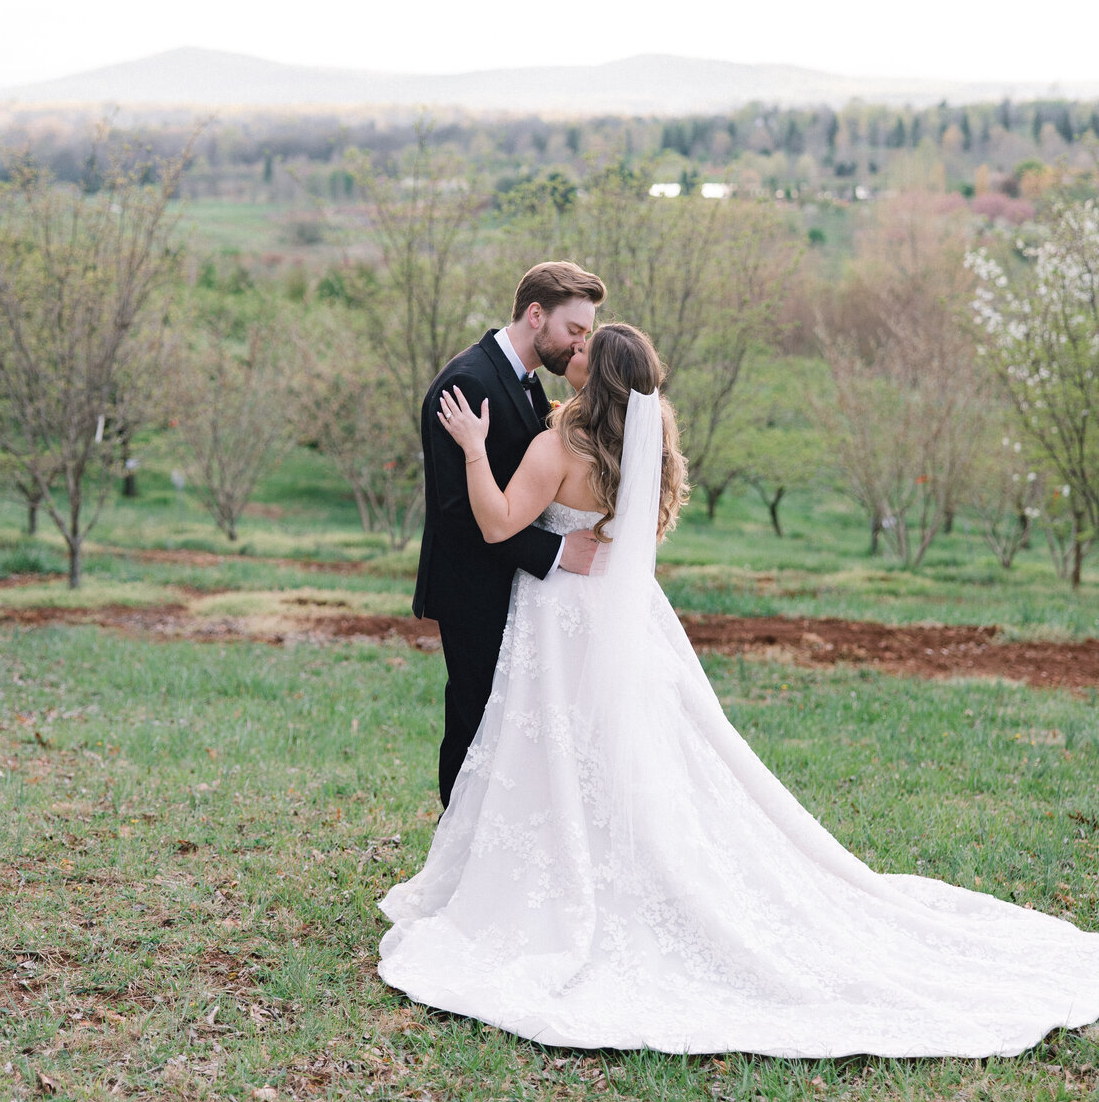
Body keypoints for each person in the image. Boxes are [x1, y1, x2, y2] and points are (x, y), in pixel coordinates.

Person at [380, 321, 1099, 1057]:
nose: (575, 350)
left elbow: (500, 523)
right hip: (622, 617)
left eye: (586, 350)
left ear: (594, 380)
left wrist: (473, 449)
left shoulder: (557, 447)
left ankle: (565, 878)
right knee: (619, 748)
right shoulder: (645, 445)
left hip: (561, 620)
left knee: (558, 748)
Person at [414, 261, 607, 807]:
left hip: (513, 584)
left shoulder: (526, 385)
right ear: (536, 315)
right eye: (575, 331)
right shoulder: (468, 382)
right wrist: (556, 553)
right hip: (474, 587)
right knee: (475, 721)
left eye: (586, 336)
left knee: (511, 727)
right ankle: (454, 852)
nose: (578, 347)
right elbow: (458, 513)